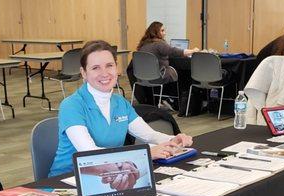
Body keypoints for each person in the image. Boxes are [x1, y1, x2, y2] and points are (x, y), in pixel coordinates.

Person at [49, 40, 193, 177]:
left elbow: (149, 135)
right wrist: (147, 152)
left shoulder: (120, 103)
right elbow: (90, 154)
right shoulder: (71, 105)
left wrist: (174, 140)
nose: (104, 73)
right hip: (69, 179)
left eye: (109, 65)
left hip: (109, 174)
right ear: (84, 73)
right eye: (95, 68)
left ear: (116, 68)